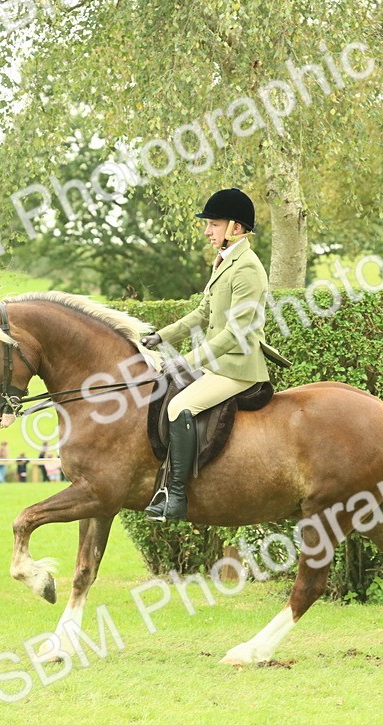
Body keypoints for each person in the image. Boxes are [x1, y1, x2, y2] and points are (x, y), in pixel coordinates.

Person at [138, 188, 288, 522]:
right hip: (221, 363)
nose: (208, 231)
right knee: (165, 390)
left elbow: (235, 333)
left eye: (214, 224)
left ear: (236, 227)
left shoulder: (247, 269)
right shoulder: (224, 262)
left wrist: (187, 361)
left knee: (180, 406)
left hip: (238, 367)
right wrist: (160, 336)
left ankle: (177, 498)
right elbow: (201, 315)